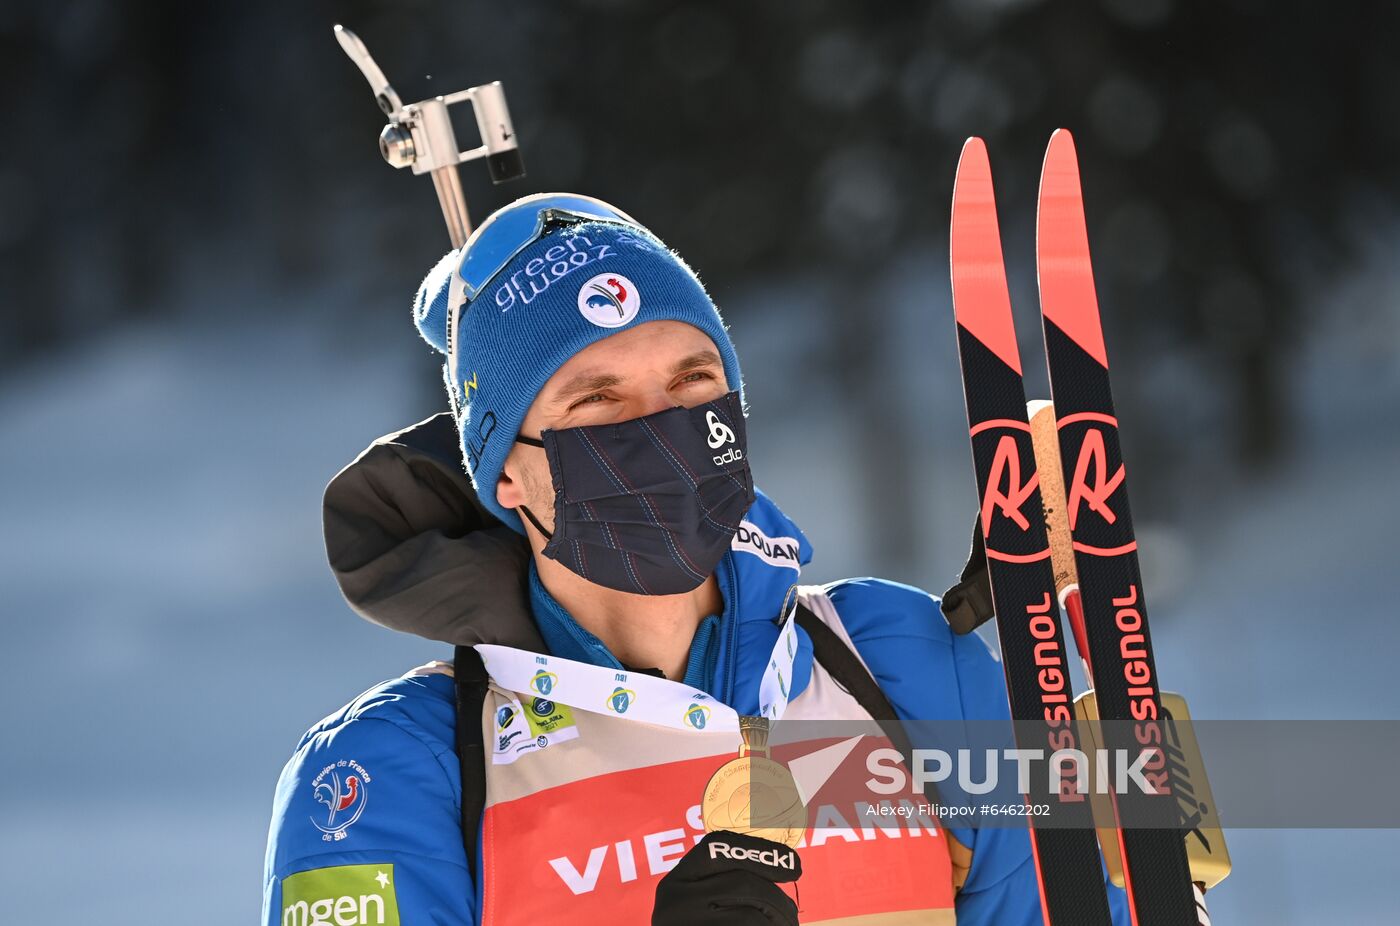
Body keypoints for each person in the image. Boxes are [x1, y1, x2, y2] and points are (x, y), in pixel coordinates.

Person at [261, 193, 1127, 925]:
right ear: (509, 477)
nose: (662, 432)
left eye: (693, 382)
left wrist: (1141, 836)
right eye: (596, 399)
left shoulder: (900, 664)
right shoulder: (387, 775)